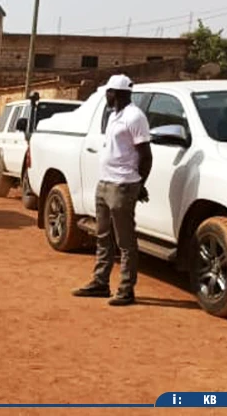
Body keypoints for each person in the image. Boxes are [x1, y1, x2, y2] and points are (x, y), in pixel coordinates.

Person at [72, 74, 152, 306]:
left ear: (116, 93)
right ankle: (100, 283)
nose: (106, 95)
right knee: (103, 237)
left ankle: (126, 290)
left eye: (108, 91)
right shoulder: (114, 115)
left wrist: (139, 184)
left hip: (122, 185)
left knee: (125, 242)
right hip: (105, 183)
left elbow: (146, 155)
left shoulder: (135, 117)